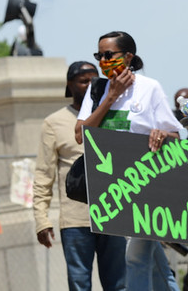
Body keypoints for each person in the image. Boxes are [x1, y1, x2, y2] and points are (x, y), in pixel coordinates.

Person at [75, 31, 182, 291]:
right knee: (152, 259)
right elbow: (80, 134)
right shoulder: (97, 90)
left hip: (146, 187)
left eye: (109, 55)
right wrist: (110, 98)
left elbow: (176, 136)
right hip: (113, 190)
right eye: (99, 55)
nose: (103, 61)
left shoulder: (149, 88)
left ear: (128, 56)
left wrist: (161, 133)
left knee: (134, 256)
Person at [34, 61, 126, 291]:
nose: (90, 85)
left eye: (94, 80)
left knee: (119, 284)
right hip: (75, 219)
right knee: (79, 283)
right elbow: (44, 174)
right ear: (70, 85)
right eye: (83, 81)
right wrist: (41, 219)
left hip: (113, 214)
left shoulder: (114, 115)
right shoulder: (53, 122)